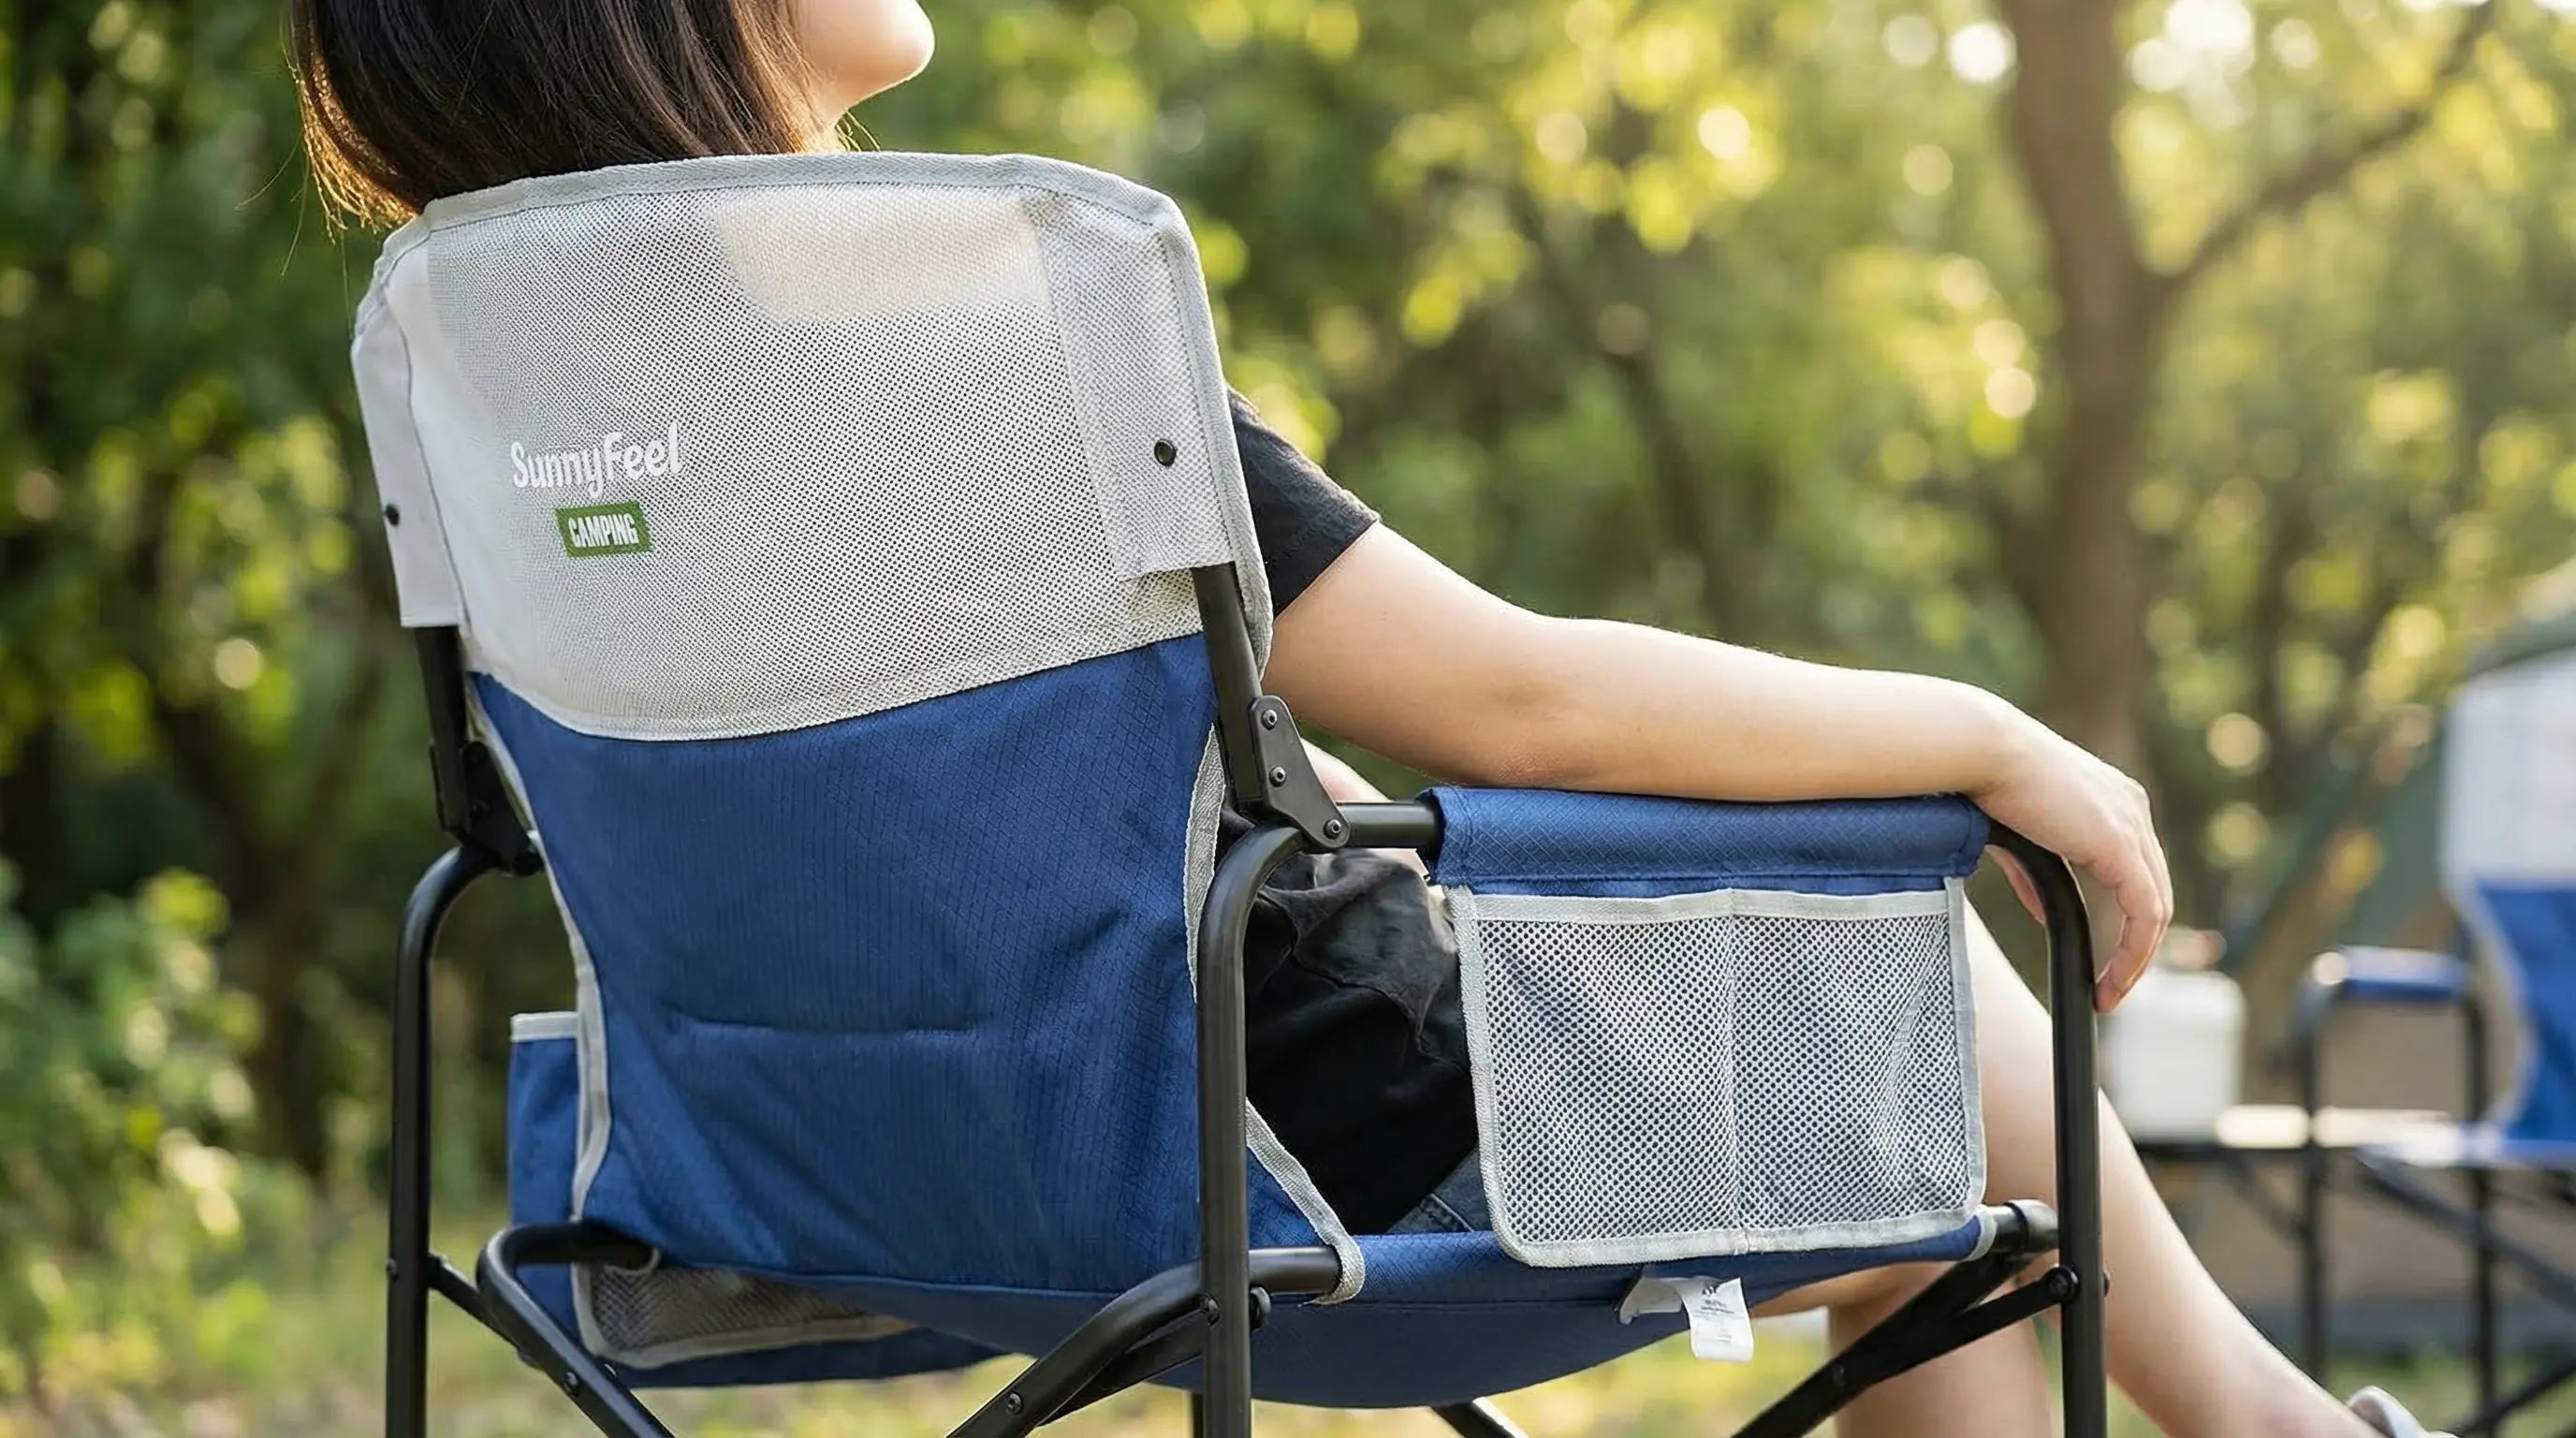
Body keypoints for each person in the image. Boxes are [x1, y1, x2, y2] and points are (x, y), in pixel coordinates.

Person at [285, 2, 2452, 1432]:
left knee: (1892, 1120)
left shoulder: (489, 387)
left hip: (792, 1178)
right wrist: (1984, 734)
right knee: (1895, 987)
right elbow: (1508, 699)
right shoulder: (1009, 325)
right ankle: (2269, 1425)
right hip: (1303, 1174)